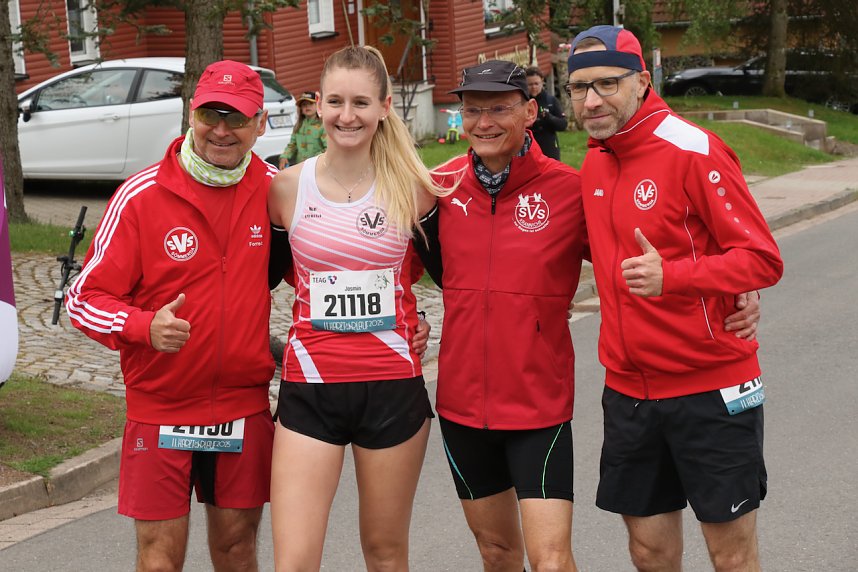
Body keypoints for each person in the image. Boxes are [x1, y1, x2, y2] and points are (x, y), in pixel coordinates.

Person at [414, 60, 763, 572]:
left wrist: (739, 284)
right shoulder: (438, 187)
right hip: (463, 404)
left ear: (531, 111)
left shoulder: (572, 188)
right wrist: (409, 315)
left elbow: (663, 245)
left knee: (551, 560)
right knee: (496, 553)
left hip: (539, 403)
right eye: (473, 110)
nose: (484, 122)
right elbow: (386, 258)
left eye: (499, 109)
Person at [567, 25, 783, 572]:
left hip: (710, 386)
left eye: (607, 84)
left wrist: (678, 278)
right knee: (649, 552)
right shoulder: (594, 162)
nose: (591, 100)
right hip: (629, 393)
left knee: (730, 556)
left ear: (642, 80)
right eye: (577, 88)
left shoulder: (693, 149)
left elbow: (761, 258)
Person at [66, 60, 278, 571]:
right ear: (191, 112)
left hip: (241, 407)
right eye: (211, 114)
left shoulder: (276, 190)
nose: (222, 130)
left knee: (237, 550)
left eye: (238, 118)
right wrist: (143, 327)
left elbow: (325, 264)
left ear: (261, 123)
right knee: (159, 558)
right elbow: (82, 299)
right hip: (160, 408)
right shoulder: (141, 196)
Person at [266, 45, 446, 571]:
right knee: (294, 561)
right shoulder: (285, 189)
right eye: (337, 102)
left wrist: (427, 322)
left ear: (385, 107)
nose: (348, 116)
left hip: (392, 390)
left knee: (385, 554)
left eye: (362, 103)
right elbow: (261, 282)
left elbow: (455, 280)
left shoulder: (414, 190)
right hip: (310, 391)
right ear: (316, 105)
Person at [525, 66, 568, 160]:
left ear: (542, 81)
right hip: (529, 147)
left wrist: (549, 118)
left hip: (549, 148)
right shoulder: (523, 102)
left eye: (536, 84)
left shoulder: (551, 101)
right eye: (530, 84)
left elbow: (563, 125)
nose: (534, 87)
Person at [278, 90, 326, 170]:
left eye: (310, 104)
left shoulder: (323, 126)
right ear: (301, 109)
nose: (307, 107)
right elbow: (292, 145)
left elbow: (328, 149)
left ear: (318, 105)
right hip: (301, 167)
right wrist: (284, 157)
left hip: (318, 168)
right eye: (304, 105)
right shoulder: (298, 126)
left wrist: (313, 160)